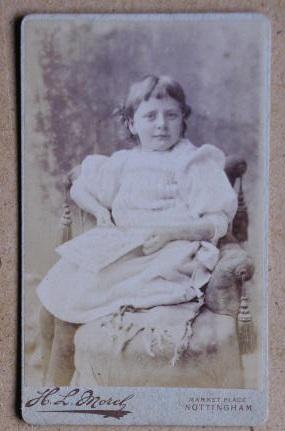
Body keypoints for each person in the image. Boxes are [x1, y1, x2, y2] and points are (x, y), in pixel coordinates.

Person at [37, 75, 238, 384]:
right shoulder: (123, 163)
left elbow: (217, 223)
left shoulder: (192, 161)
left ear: (183, 119)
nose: (161, 124)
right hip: (125, 247)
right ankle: (54, 387)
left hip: (171, 248)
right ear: (132, 123)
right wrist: (100, 211)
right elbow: (80, 187)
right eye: (150, 116)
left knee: (92, 288)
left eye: (171, 115)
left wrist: (172, 233)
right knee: (63, 284)